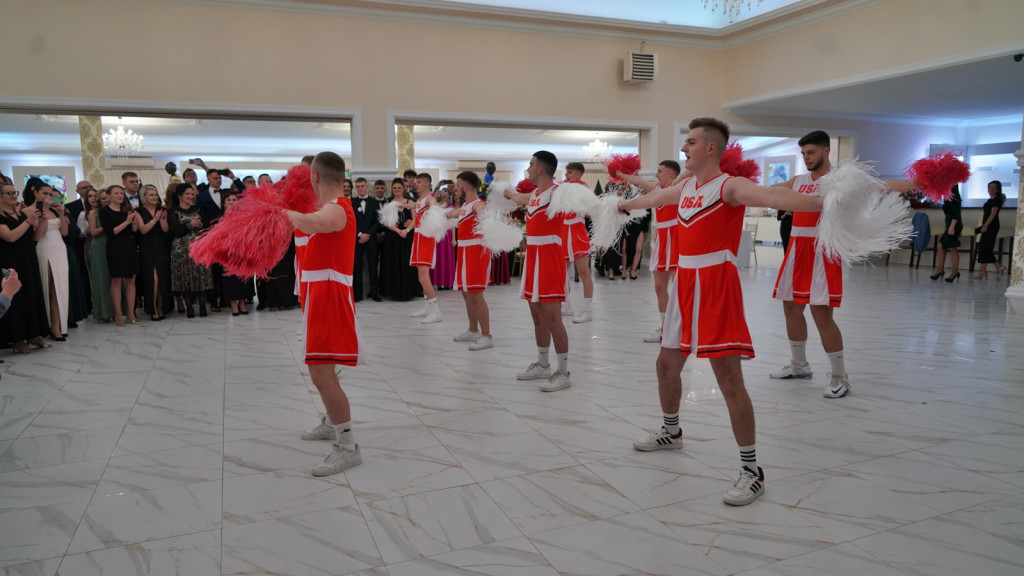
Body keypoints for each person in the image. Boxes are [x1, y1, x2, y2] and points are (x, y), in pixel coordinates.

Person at [619, 118, 826, 506]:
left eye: (691, 142)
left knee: (729, 381)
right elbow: (653, 199)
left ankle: (752, 471)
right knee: (665, 366)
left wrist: (820, 201)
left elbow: (770, 197)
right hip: (684, 283)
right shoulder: (684, 188)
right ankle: (671, 431)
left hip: (717, 284)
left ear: (711, 148)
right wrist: (621, 205)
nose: (684, 149)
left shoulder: (730, 185)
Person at [289, 151, 362, 476]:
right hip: (320, 294)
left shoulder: (338, 208)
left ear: (315, 176)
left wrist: (276, 212)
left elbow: (317, 223)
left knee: (322, 376)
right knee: (322, 375)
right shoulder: (330, 206)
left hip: (330, 297)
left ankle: (347, 447)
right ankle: (334, 426)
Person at [768, 131, 851, 398]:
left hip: (822, 251)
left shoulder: (839, 180)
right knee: (791, 307)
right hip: (796, 248)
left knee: (821, 314)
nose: (806, 158)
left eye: (811, 152)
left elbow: (879, 186)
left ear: (826, 151)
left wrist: (915, 183)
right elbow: (766, 191)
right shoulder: (799, 180)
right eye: (803, 153)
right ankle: (800, 365)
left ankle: (840, 377)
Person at [503, 151, 573, 392]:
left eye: (531, 164)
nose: (528, 168)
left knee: (554, 318)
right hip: (532, 260)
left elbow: (578, 201)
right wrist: (509, 194)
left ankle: (563, 371)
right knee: (537, 316)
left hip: (550, 261)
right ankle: (543, 364)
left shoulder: (558, 193)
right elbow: (522, 199)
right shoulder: (535, 194)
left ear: (541, 169)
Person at [617, 161, 684, 343]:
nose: (656, 174)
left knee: (680, 289)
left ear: (671, 174)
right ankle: (665, 328)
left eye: (660, 171)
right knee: (659, 287)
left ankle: (681, 328)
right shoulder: (656, 189)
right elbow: (638, 180)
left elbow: (687, 173)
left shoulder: (677, 186)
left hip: (678, 238)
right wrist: (619, 173)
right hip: (662, 238)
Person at [0, 179, 51, 353]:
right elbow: (11, 237)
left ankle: (34, 334)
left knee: (33, 295)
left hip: (29, 259)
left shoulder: (21, 215)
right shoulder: (1, 217)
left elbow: (36, 237)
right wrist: (28, 221)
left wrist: (42, 221)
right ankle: (18, 339)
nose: (14, 196)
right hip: (11, 262)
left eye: (15, 192)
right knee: (18, 299)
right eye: (9, 193)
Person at [449, 171, 493, 351]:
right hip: (464, 252)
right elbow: (450, 214)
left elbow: (485, 215)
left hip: (476, 253)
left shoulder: (478, 205)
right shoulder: (466, 206)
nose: (456, 189)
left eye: (458, 186)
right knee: (466, 293)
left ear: (465, 187)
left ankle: (486, 335)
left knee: (476, 295)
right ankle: (473, 329)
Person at [23, 179, 70, 341]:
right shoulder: (29, 210)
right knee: (49, 287)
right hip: (44, 248)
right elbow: (38, 234)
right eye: (45, 193)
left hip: (60, 249)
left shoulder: (56, 211)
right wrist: (42, 211)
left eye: (51, 194)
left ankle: (59, 325)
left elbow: (64, 233)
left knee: (60, 287)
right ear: (35, 193)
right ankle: (49, 326)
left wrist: (62, 214)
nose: (48, 197)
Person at [168, 183, 213, 318]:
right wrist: (189, 224)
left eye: (192, 194)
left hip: (199, 248)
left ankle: (203, 307)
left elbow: (206, 226)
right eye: (187, 194)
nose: (190, 196)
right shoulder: (173, 211)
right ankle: (189, 308)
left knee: (201, 277)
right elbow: (176, 231)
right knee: (185, 278)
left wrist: (200, 225)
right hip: (181, 249)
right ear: (179, 196)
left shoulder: (198, 208)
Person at [559, 162, 595, 323]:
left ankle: (587, 310)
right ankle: (566, 305)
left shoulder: (583, 189)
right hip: (563, 232)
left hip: (577, 231)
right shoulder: (563, 188)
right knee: (561, 272)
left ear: (578, 174)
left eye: (570, 172)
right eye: (567, 172)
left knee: (583, 272)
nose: (567, 175)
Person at [100, 185, 140, 326]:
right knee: (116, 280)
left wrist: (134, 222)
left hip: (129, 246)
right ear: (109, 196)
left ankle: (130, 312)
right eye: (116, 193)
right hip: (115, 247)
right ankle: (118, 313)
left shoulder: (126, 210)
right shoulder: (105, 212)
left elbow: (134, 230)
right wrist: (127, 222)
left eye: (121, 193)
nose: (119, 196)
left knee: (131, 280)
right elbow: (110, 232)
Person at [378, 179, 420, 301]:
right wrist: (398, 231)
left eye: (399, 188)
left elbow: (415, 218)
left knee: (407, 262)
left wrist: (406, 230)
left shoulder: (410, 202)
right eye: (394, 188)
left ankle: (409, 291)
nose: (397, 190)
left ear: (403, 189)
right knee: (394, 262)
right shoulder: (388, 202)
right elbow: (385, 221)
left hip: (407, 237)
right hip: (393, 237)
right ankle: (394, 292)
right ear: (392, 189)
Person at [409, 173, 443, 323]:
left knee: (424, 276)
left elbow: (435, 209)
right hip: (418, 238)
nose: (416, 184)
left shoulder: (430, 198)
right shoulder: (419, 200)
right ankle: (427, 307)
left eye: (419, 182)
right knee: (420, 276)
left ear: (428, 183)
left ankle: (436, 311)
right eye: (415, 182)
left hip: (426, 238)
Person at [136, 184, 172, 321]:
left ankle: (161, 308)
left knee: (162, 278)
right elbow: (143, 230)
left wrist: (162, 219)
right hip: (147, 248)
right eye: (151, 195)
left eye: (156, 194)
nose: (154, 197)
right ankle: (153, 309)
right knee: (153, 279)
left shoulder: (163, 210)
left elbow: (165, 229)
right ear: (144, 197)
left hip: (161, 247)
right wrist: (155, 219)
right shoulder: (138, 211)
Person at [217, 191, 250, 315]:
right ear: (224, 203)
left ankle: (242, 302)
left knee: (243, 277)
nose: (231, 202)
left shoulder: (245, 216)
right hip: (227, 252)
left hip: (243, 251)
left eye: (234, 199)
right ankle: (232, 304)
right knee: (230, 278)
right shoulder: (220, 218)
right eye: (228, 200)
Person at [85, 188, 115, 323]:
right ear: (98, 200)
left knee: (115, 279)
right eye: (103, 198)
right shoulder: (93, 213)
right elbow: (93, 232)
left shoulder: (116, 211)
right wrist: (107, 225)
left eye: (108, 197)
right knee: (101, 279)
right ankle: (103, 313)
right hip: (99, 246)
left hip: (113, 245)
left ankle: (117, 311)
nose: (106, 200)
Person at [351, 177, 382, 302]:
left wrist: (368, 235)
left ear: (367, 186)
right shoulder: (351, 202)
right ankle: (357, 294)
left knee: (373, 265)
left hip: (371, 239)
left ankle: (374, 293)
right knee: (356, 266)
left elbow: (377, 222)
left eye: (362, 186)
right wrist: (359, 234)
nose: (360, 188)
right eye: (358, 186)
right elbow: (351, 221)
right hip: (357, 239)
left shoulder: (374, 202)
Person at [930, 185, 963, 283]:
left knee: (952, 248)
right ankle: (940, 270)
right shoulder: (947, 196)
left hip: (953, 225)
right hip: (951, 225)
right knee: (941, 246)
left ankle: (954, 272)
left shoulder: (955, 197)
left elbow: (956, 213)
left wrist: (953, 227)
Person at [974, 180, 1006, 279]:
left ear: (998, 189)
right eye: (990, 187)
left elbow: (992, 215)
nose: (991, 189)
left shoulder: (997, 200)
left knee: (985, 249)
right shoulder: (990, 200)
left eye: (994, 187)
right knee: (984, 249)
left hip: (991, 226)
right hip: (987, 225)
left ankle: (983, 272)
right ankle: (996, 269)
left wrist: (985, 226)